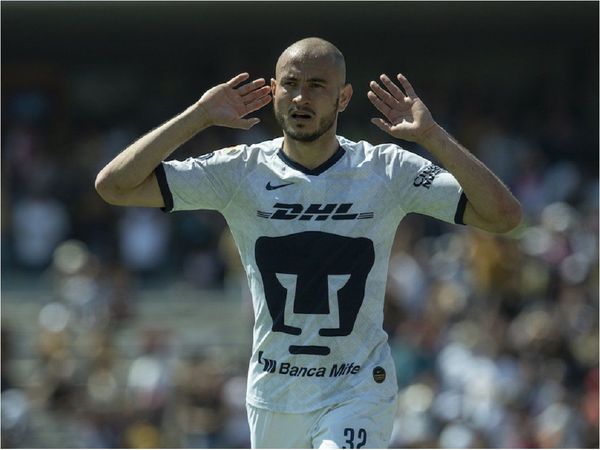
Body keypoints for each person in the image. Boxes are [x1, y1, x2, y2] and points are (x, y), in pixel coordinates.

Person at [95, 37, 522, 448]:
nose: (301, 98)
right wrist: (198, 115)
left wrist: (433, 138)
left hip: (357, 387)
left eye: (317, 86)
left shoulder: (386, 170)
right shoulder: (239, 171)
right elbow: (114, 186)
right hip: (275, 392)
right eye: (291, 84)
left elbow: (503, 216)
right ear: (274, 90)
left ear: (343, 97)